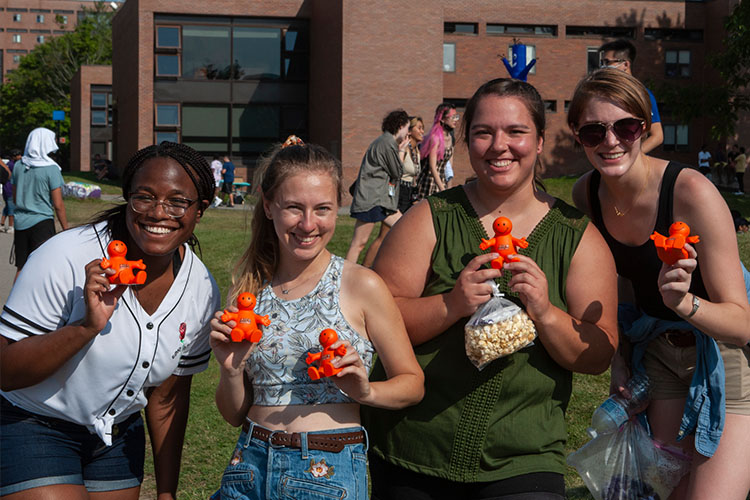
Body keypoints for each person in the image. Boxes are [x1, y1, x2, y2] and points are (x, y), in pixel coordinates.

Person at [362, 78, 619, 499]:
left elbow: (599, 353)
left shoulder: (577, 236)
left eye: (516, 132)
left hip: (523, 456)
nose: (499, 146)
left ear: (538, 142)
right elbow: (379, 320)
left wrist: (545, 311)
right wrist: (451, 303)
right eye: (484, 132)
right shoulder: (431, 217)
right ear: (467, 141)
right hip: (414, 449)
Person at [0, 141, 221, 499]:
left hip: (116, 434)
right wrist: (87, 327)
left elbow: (167, 398)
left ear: (200, 210)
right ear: (127, 197)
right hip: (33, 423)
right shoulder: (64, 257)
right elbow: (6, 372)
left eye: (178, 201)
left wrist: (167, 492)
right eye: (144, 197)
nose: (158, 212)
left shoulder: (201, 288)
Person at [568, 68, 750, 500]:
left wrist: (684, 302)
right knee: (667, 490)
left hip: (724, 358)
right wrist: (619, 359)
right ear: (577, 136)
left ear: (644, 128)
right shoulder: (586, 195)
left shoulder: (691, 192)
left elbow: (743, 324)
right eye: (594, 131)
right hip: (660, 357)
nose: (610, 141)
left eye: (626, 127)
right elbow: (620, 284)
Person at [209, 139, 424, 500]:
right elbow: (233, 414)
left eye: (322, 209)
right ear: (268, 205)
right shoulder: (248, 293)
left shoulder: (361, 285)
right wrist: (231, 371)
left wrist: (366, 391)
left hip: (325, 467)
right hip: (248, 463)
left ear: (337, 207)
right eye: (293, 207)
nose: (308, 224)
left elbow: (412, 383)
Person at [346, 109, 410, 265]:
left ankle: (386, 267)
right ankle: (344, 278)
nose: (408, 132)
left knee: (404, 229)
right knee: (359, 243)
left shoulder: (386, 142)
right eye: (407, 128)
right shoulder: (387, 143)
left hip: (381, 201)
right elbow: (397, 172)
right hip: (372, 200)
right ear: (400, 126)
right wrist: (402, 151)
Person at [11, 128, 69, 278]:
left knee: (21, 267)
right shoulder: (51, 169)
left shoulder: (19, 165)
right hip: (42, 223)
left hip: (21, 222)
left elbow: (16, 198)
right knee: (42, 267)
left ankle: (14, 300)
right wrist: (66, 228)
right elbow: (58, 204)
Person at [599, 39, 663, 154]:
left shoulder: (641, 94)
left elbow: (657, 136)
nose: (604, 67)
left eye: (608, 62)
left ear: (625, 64)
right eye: (602, 62)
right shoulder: (603, 92)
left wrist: (632, 158)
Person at [413, 103, 458, 202]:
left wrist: (448, 188)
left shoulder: (451, 138)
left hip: (441, 181)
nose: (455, 120)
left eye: (456, 117)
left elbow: (449, 166)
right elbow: (432, 167)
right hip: (428, 182)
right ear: (442, 119)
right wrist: (443, 190)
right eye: (453, 117)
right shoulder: (435, 138)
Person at [0, 151, 17, 233]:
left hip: (5, 188)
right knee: (11, 208)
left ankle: (2, 224)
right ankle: (11, 226)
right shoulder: (12, 165)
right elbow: (12, 175)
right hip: (10, 189)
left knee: (7, 207)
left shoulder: (7, 164)